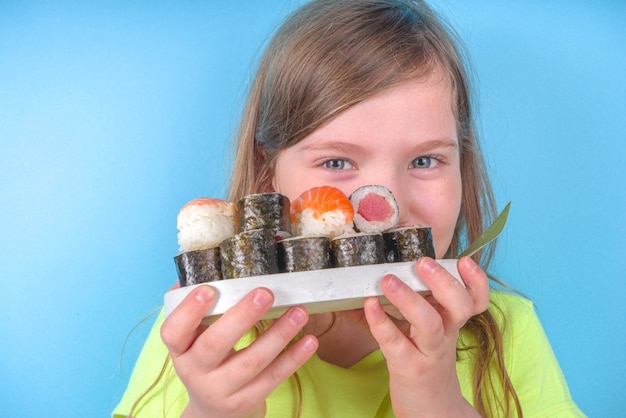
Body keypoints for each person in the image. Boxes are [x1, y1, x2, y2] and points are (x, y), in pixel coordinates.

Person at [113, 0, 584, 416]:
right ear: (267, 178)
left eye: (424, 160)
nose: (386, 207)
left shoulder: (507, 334)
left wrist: (439, 405)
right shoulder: (203, 334)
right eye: (337, 162)